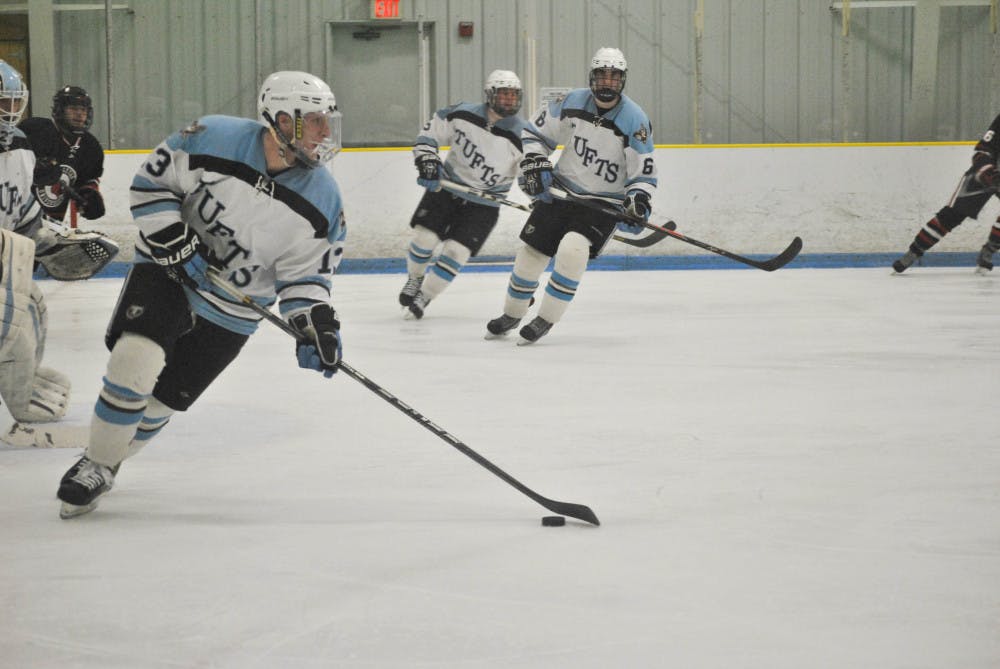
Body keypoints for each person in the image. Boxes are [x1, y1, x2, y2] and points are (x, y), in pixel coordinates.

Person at [56, 71, 347, 518]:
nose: (325, 133)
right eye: (314, 121)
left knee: (165, 401)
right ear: (281, 120)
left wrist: (315, 324)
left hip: (233, 309)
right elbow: (150, 185)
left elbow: (305, 278)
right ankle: (95, 462)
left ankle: (109, 458)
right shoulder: (213, 136)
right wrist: (172, 238)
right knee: (136, 359)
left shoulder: (325, 201)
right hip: (169, 271)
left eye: (327, 121)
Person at [485, 47, 657, 344]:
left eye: (614, 76)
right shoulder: (572, 101)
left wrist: (638, 200)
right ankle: (512, 312)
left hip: (603, 203)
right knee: (530, 254)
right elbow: (536, 134)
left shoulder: (635, 119)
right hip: (561, 192)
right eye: (601, 75)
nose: (607, 82)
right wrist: (536, 161)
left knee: (572, 251)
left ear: (623, 79)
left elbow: (643, 172)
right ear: (592, 77)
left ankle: (546, 318)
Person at [0, 60, 117, 429]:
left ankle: (24, 378)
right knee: (10, 316)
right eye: (3, 102)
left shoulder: (19, 145)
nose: (10, 111)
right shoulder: (35, 134)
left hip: (10, 253)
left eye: (13, 102)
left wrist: (51, 240)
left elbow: (20, 212)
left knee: (32, 307)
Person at [398, 69, 530, 319]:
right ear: (490, 95)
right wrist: (427, 160)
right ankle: (414, 280)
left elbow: (529, 173)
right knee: (424, 239)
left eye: (513, 95)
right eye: (504, 95)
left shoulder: (524, 135)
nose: (509, 100)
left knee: (456, 253)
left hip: (484, 205)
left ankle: (425, 297)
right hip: (447, 190)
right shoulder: (462, 113)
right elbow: (430, 133)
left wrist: (536, 190)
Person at [892, 112, 1000, 274]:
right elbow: (982, 150)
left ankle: (988, 251)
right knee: (953, 214)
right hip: (986, 172)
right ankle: (913, 252)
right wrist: (987, 171)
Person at [18, 85, 106, 223]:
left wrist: (88, 197)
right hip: (17, 221)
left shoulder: (90, 146)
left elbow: (87, 181)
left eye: (83, 109)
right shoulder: (36, 130)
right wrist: (33, 167)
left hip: (52, 226)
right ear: (59, 110)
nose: (79, 114)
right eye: (73, 108)